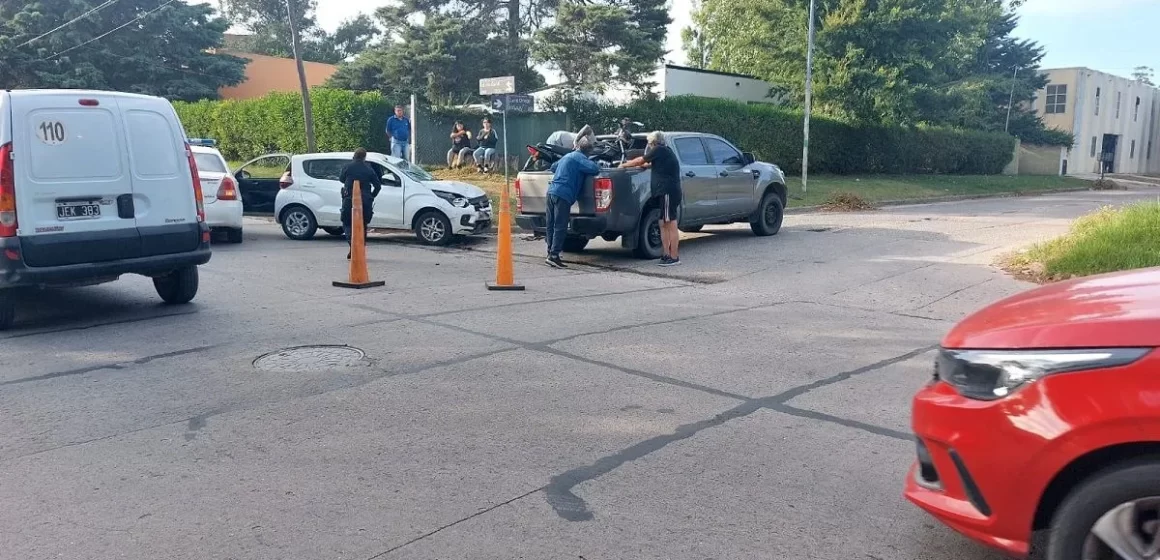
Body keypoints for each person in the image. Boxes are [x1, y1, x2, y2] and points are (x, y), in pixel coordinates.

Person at [620, 131, 682, 266]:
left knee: (669, 222)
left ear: (654, 143)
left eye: (649, 143)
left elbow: (641, 160)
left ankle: (674, 256)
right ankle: (666, 254)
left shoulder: (659, 149)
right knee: (662, 223)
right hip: (666, 192)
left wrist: (624, 165)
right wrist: (642, 164)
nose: (648, 146)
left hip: (667, 192)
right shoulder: (665, 152)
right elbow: (647, 163)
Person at [544, 136, 601, 268]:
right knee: (560, 225)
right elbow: (595, 169)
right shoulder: (581, 159)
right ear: (588, 151)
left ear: (577, 146)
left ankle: (550, 252)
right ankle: (554, 256)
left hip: (551, 192)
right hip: (563, 194)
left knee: (550, 224)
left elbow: (553, 167)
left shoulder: (567, 156)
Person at [339, 148, 383, 260]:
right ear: (364, 157)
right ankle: (358, 249)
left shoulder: (347, 167)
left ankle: (352, 246)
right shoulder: (369, 169)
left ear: (354, 156)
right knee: (362, 226)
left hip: (349, 199)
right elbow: (378, 186)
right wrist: (371, 196)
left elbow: (341, 179)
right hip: (366, 202)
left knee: (347, 223)